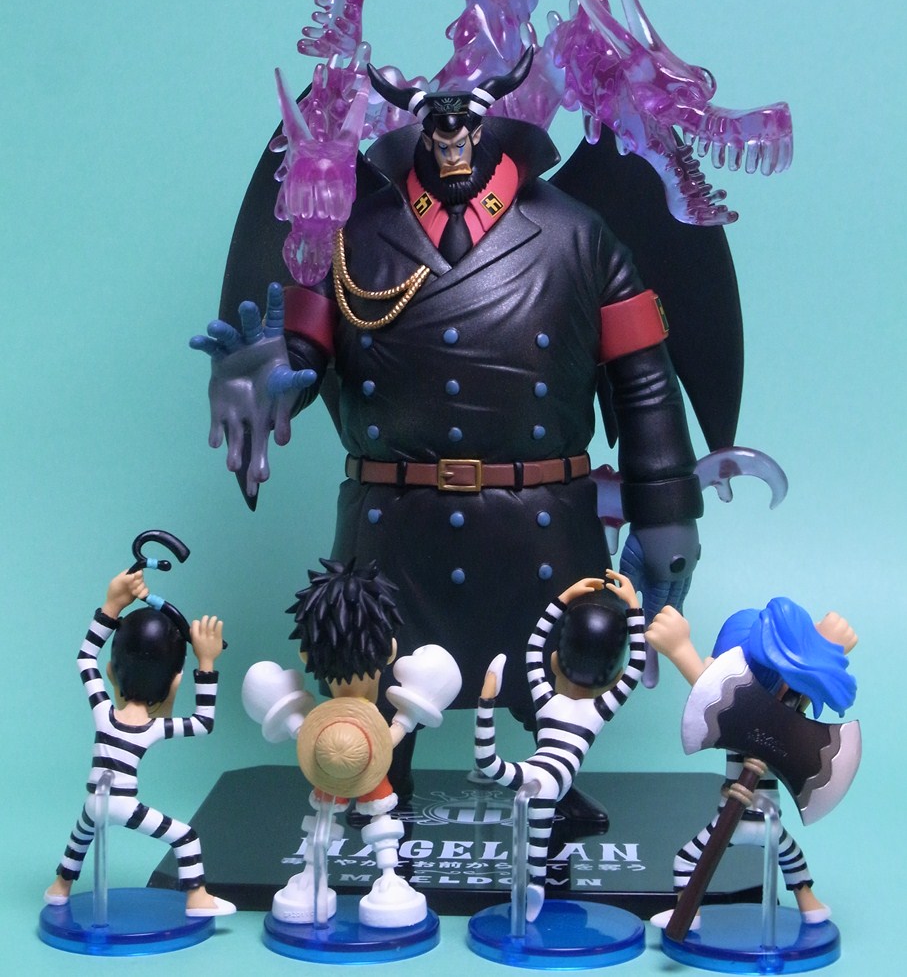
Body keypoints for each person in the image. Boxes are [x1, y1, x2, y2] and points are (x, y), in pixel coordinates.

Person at [193, 50, 702, 794]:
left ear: (492, 127)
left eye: (466, 125)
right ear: (417, 130)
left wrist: (666, 511)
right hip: (392, 535)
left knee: (559, 682)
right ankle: (374, 784)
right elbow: (303, 357)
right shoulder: (348, 239)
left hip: (543, 529)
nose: (451, 141)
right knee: (372, 686)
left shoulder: (581, 236)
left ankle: (553, 790)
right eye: (438, 126)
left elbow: (646, 379)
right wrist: (262, 374)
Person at [256, 557, 459, 927]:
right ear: (390, 650)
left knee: (325, 819)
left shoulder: (317, 722)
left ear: (306, 655)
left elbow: (301, 732)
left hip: (330, 770)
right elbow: (394, 733)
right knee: (374, 819)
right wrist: (407, 717)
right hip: (365, 768)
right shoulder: (380, 718)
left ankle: (316, 877)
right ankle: (387, 879)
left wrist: (294, 723)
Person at [646, 597, 858, 931]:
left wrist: (680, 649)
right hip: (757, 817)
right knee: (788, 855)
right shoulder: (743, 717)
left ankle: (688, 915)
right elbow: (714, 691)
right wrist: (829, 650)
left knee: (689, 859)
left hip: (745, 816)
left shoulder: (761, 719)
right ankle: (808, 905)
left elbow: (714, 691)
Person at [45, 570, 235, 917]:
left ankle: (60, 888)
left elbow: (85, 658)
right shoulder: (152, 728)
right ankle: (197, 898)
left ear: (112, 673)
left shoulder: (104, 712)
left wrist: (112, 605)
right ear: (173, 683)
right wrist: (206, 662)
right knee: (185, 837)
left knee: (80, 838)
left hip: (93, 802)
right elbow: (203, 722)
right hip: (122, 805)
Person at [475, 569, 645, 920]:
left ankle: (485, 705)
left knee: (489, 764)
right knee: (535, 846)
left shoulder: (545, 701)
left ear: (555, 661)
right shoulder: (598, 711)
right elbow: (637, 665)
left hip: (535, 773)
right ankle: (533, 887)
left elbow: (533, 648)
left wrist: (563, 599)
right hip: (552, 780)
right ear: (613, 677)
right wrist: (633, 608)